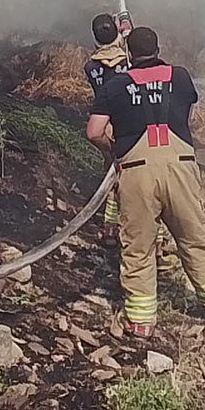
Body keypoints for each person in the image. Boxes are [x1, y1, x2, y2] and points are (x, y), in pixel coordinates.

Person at [86, 27, 205, 337]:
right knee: (193, 235)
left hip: (136, 171)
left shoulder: (115, 86)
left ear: (129, 54)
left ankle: (141, 321)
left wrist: (116, 149)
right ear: (158, 48)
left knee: (138, 247)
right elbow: (183, 107)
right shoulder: (181, 76)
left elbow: (94, 131)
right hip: (180, 167)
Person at [84, 14, 129, 244]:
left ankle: (110, 228)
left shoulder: (90, 66)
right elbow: (131, 56)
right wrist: (126, 32)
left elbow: (109, 56)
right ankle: (155, 236)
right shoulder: (128, 60)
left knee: (111, 174)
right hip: (130, 122)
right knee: (126, 177)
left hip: (107, 124)